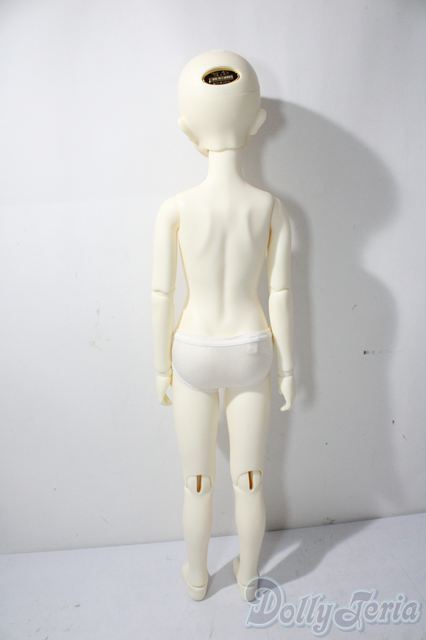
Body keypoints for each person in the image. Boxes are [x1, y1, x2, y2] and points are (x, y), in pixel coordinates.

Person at [151, 50, 295, 601]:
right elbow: (280, 294)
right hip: (252, 346)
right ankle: (249, 576)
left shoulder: (175, 208)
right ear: (257, 123)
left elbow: (161, 295)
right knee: (250, 477)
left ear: (187, 128)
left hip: (192, 346)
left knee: (197, 480)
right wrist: (289, 371)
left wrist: (159, 368)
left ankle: (196, 576)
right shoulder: (269, 206)